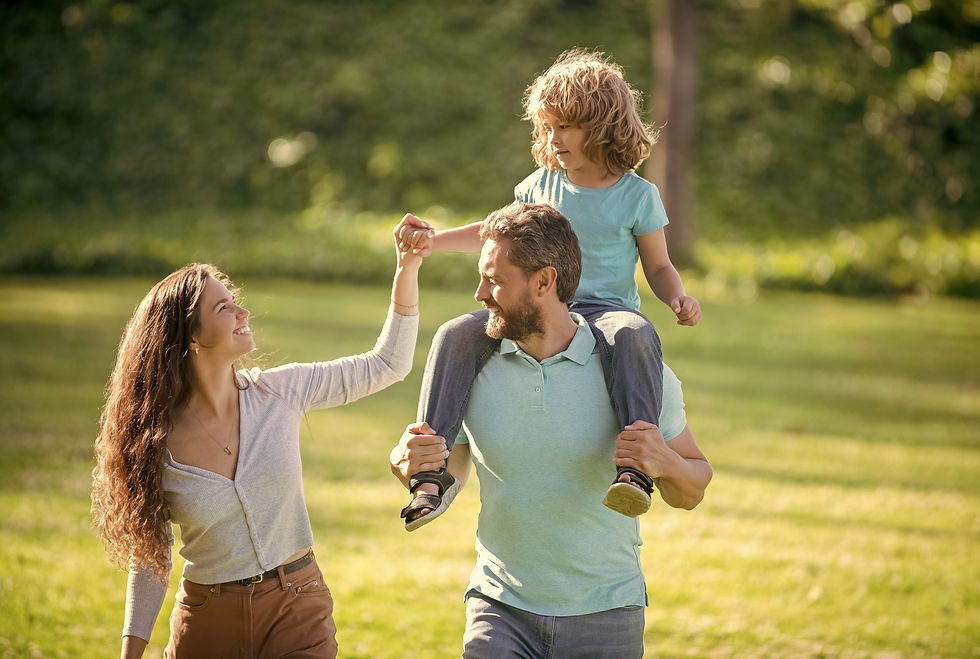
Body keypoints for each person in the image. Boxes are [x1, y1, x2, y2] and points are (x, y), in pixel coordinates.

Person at [91, 217, 426, 658]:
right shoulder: (154, 442)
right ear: (190, 337)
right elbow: (151, 560)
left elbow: (388, 364)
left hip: (297, 605)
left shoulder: (280, 392)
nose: (243, 313)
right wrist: (130, 653)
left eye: (235, 302)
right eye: (223, 308)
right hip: (207, 618)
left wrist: (406, 268)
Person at [390, 202, 712, 658]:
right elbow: (453, 470)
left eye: (495, 280)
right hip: (498, 608)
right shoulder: (472, 366)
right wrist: (406, 461)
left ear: (544, 282)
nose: (479, 293)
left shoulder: (635, 369)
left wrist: (666, 462)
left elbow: (692, 490)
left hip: (607, 613)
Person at [396, 49, 701, 528]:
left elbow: (659, 265)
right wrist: (434, 240)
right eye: (549, 127)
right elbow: (492, 233)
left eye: (566, 127)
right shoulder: (540, 186)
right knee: (455, 333)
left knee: (634, 334)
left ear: (602, 125)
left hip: (605, 310)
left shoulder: (637, 195)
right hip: (535, 302)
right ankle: (430, 473)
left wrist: (677, 297)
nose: (553, 139)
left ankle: (635, 472)